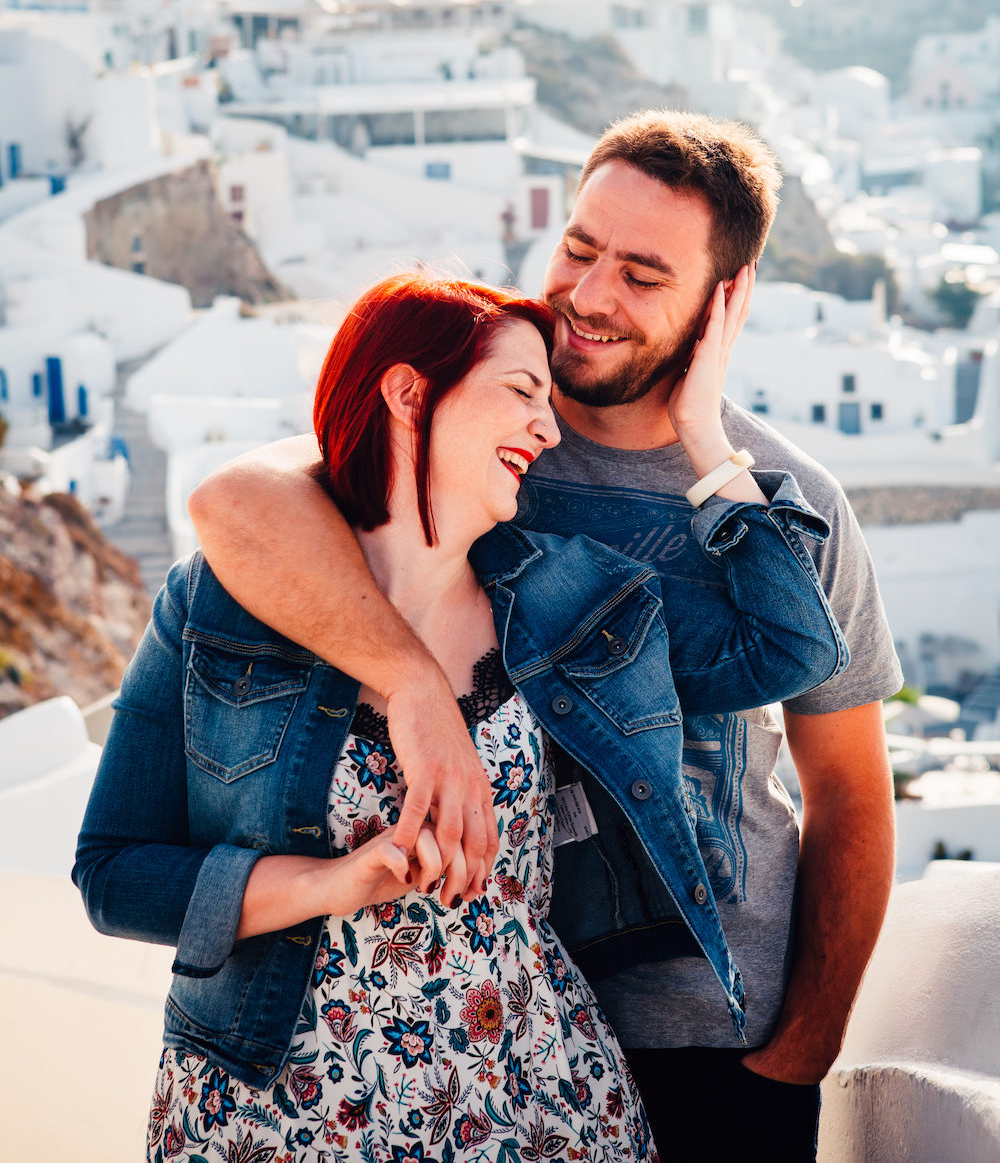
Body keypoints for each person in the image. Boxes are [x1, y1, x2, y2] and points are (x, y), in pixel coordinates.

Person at [187, 112, 902, 1163]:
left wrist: (799, 1051)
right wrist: (415, 687)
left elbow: (847, 792)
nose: (591, 295)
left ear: (724, 296)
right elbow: (239, 499)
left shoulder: (789, 505)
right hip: (473, 1031)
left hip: (711, 1043)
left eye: (645, 274)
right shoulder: (479, 437)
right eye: (579, 249)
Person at [74, 270, 846, 1163]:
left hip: (533, 1100)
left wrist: (705, 430)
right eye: (522, 392)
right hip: (268, 1114)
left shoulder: (573, 603)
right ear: (408, 392)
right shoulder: (214, 605)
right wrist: (332, 884)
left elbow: (795, 649)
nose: (548, 429)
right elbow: (115, 873)